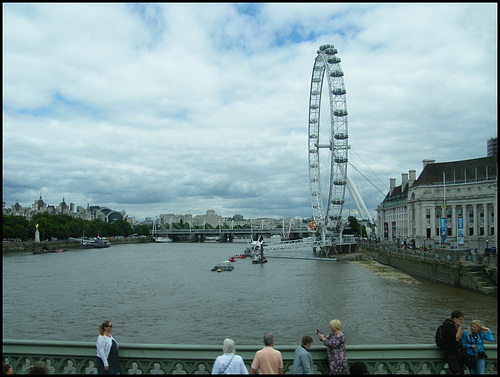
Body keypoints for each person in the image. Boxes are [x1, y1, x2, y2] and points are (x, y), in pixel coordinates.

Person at [439, 310, 464, 375]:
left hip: (450, 351)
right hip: (451, 352)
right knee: (456, 371)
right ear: (455, 319)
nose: (461, 321)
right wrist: (459, 327)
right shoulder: (449, 325)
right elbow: (456, 338)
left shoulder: (447, 324)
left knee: (454, 370)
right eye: (460, 319)